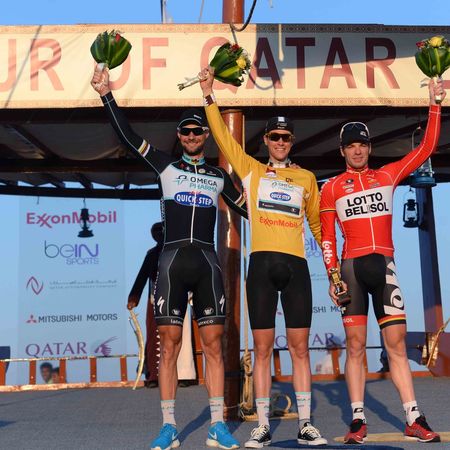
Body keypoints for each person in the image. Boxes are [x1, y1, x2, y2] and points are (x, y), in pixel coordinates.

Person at [91, 65, 247, 450]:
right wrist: (106, 94)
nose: (192, 136)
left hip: (207, 264)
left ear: (206, 135)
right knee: (170, 342)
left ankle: (217, 425)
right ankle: (168, 426)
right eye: (186, 132)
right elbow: (128, 137)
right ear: (179, 136)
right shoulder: (165, 166)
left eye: (198, 131)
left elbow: (252, 210)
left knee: (214, 344)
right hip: (172, 262)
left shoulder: (219, 176)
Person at [199, 68, 327, 447]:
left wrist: (334, 270)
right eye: (275, 137)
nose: (281, 142)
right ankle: (263, 425)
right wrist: (208, 95)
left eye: (286, 137)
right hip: (261, 268)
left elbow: (318, 226)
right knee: (262, 349)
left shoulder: (306, 178)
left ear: (291, 142)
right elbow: (223, 137)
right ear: (267, 141)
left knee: (300, 348)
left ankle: (305, 423)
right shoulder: (252, 171)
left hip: (296, 267)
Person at [320, 78, 445, 444]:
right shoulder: (331, 188)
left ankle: (413, 417)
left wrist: (434, 104)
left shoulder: (387, 175)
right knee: (355, 345)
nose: (357, 151)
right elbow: (327, 237)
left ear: (369, 147)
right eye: (351, 146)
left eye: (362, 144)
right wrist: (332, 276)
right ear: (342, 151)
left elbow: (426, 148)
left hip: (384, 267)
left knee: (396, 342)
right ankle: (357, 420)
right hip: (351, 271)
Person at [128, 222, 164, 388]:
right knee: (154, 335)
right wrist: (134, 297)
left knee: (179, 338)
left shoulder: (178, 251)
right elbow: (142, 276)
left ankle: (184, 374)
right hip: (155, 299)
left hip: (179, 298)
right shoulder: (152, 254)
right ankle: (153, 375)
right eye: (155, 233)